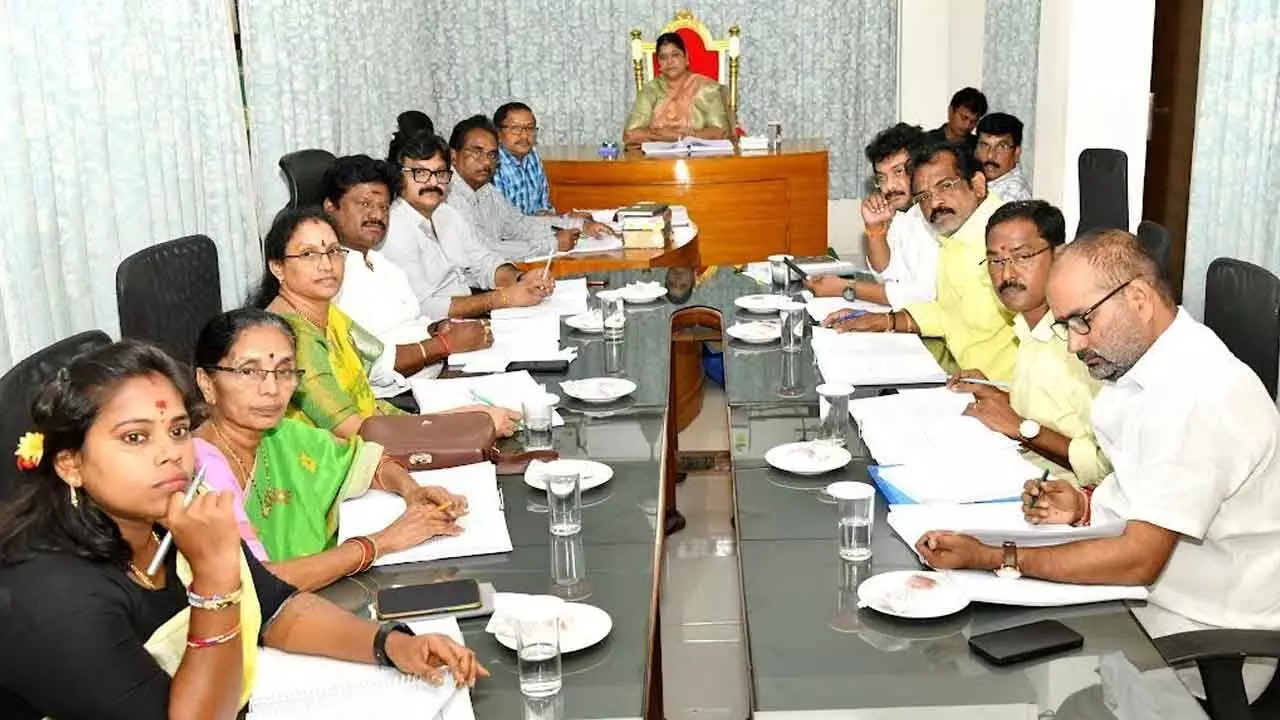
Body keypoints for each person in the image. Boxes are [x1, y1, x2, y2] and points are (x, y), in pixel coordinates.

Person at [0, 341, 486, 719]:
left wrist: (390, 645)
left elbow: (274, 605)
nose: (170, 452)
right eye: (135, 437)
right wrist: (214, 580)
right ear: (69, 464)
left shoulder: (168, 517)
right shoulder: (48, 595)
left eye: (176, 430)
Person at [917, 229, 1280, 698]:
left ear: (1139, 298)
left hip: (1191, 641)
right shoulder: (1146, 358)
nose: (1073, 344)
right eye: (1065, 326)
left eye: (1081, 321)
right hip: (1137, 609)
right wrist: (1086, 505)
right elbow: (1147, 482)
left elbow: (1137, 561)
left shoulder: (1197, 395)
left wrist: (996, 557)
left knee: (970, 668)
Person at [193, 309, 466, 592]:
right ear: (206, 383)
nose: (272, 389)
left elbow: (366, 462)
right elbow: (257, 585)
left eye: (285, 371)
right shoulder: (198, 472)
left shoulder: (284, 435)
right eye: (249, 372)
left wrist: (410, 489)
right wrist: (383, 541)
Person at [249, 207, 520, 438]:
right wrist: (463, 425)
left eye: (333, 251)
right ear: (277, 267)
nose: (327, 265)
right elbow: (355, 431)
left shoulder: (328, 314)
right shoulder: (290, 338)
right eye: (308, 254)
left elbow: (372, 392)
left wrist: (450, 415)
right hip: (325, 475)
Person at [946, 201, 1110, 485]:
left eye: (1022, 257)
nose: (1007, 275)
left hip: (1067, 501)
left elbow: (1107, 467)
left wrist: (1021, 427)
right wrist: (1000, 399)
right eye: (996, 261)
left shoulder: (1085, 341)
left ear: (1060, 256)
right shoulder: (1028, 327)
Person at [825, 140, 1017, 382]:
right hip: (963, 377)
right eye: (924, 196)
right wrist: (883, 321)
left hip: (1004, 392)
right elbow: (948, 312)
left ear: (977, 185)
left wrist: (1008, 400)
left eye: (946, 186)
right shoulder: (954, 236)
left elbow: (1040, 338)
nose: (934, 203)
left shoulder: (1009, 240)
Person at [324, 154, 491, 386]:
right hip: (395, 401)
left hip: (438, 374)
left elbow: (411, 321)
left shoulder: (381, 264)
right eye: (364, 204)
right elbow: (367, 365)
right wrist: (444, 345)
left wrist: (437, 328)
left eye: (384, 207)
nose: (377, 215)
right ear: (331, 207)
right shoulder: (328, 275)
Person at [380, 131, 553, 320]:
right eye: (420, 173)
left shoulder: (446, 214)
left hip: (469, 315)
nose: (433, 182)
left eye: (440, 173)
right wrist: (502, 298)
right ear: (398, 177)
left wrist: (521, 279)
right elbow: (422, 307)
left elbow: (484, 261)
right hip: (431, 331)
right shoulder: (393, 229)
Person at [447, 115, 613, 262]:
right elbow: (483, 250)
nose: (485, 161)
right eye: (477, 152)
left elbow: (519, 224)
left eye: (492, 155)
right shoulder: (448, 194)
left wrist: (580, 225)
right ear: (453, 156)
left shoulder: (485, 190)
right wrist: (552, 244)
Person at [805, 123, 937, 307]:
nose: (889, 186)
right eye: (882, 178)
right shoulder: (902, 214)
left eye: (898, 172)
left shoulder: (938, 215)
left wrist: (845, 287)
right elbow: (886, 276)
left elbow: (922, 296)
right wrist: (875, 230)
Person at [623, 32, 730, 145]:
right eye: (663, 57)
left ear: (686, 57)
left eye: (675, 55)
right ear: (658, 62)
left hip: (699, 159)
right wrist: (667, 138)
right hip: (656, 160)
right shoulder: (650, 90)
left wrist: (683, 136)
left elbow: (722, 132)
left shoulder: (706, 88)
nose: (669, 62)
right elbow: (629, 134)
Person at [492, 101, 587, 222]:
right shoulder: (492, 165)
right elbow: (503, 224)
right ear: (498, 134)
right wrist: (563, 221)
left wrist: (566, 220)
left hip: (535, 230)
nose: (525, 136)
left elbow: (542, 208)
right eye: (516, 129)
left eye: (530, 128)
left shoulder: (533, 155)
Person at [975, 112, 1032, 202]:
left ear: (1016, 153)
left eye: (1001, 147)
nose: (990, 155)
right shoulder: (978, 181)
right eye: (984, 145)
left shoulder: (1014, 193)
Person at [923, 87, 987, 154]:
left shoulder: (978, 147)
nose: (967, 125)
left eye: (974, 121)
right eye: (964, 118)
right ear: (951, 111)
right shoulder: (927, 142)